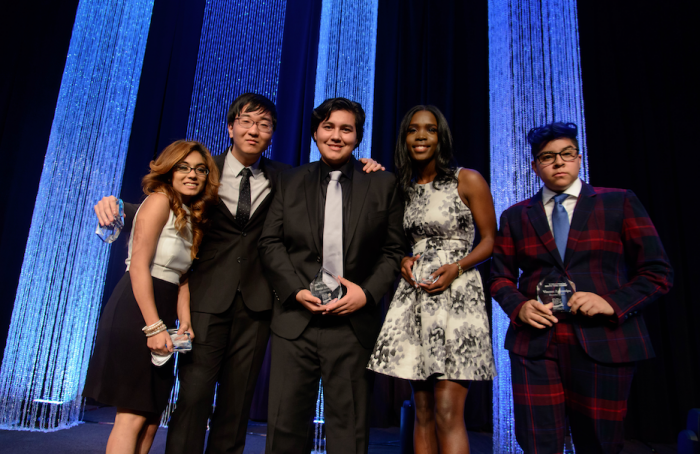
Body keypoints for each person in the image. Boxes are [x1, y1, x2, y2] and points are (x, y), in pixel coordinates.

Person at [94, 93, 383, 454]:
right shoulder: (203, 169)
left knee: (236, 406)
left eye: (264, 125)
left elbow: (326, 187)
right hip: (205, 300)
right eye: (246, 122)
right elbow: (167, 203)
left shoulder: (286, 177)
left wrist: (365, 167)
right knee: (194, 398)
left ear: (272, 134)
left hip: (258, 306)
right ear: (230, 127)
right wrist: (118, 205)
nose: (254, 130)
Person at [489, 122, 673, 453]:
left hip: (603, 339)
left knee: (600, 444)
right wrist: (519, 306)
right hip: (536, 343)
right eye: (547, 157)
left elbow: (657, 272)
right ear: (534, 166)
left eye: (566, 154)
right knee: (538, 443)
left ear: (578, 158)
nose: (558, 162)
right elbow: (498, 277)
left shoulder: (619, 202)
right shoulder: (515, 216)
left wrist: (611, 302)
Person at [258, 97, 407, 454]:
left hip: (354, 325)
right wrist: (295, 291)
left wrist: (367, 294)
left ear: (357, 137)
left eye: (346, 129)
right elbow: (270, 242)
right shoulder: (289, 181)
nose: (336, 136)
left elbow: (393, 252)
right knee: (285, 427)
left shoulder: (383, 184)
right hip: (296, 321)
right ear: (315, 133)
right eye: (329, 127)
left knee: (349, 430)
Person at [367, 105, 497, 454]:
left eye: (430, 129)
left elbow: (489, 240)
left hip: (457, 297)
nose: (421, 135)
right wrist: (402, 260)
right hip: (417, 299)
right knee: (421, 412)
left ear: (441, 137)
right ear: (405, 138)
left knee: (446, 413)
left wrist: (457, 266)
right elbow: (393, 242)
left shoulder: (466, 179)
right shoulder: (404, 189)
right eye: (413, 129)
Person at [84, 140, 219, 454]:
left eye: (200, 169)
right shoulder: (159, 201)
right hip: (136, 310)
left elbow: (181, 276)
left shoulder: (190, 214)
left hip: (164, 306)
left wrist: (183, 321)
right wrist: (154, 327)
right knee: (131, 416)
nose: (192, 175)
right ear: (169, 171)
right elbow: (138, 267)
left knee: (149, 418)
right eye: (183, 167)